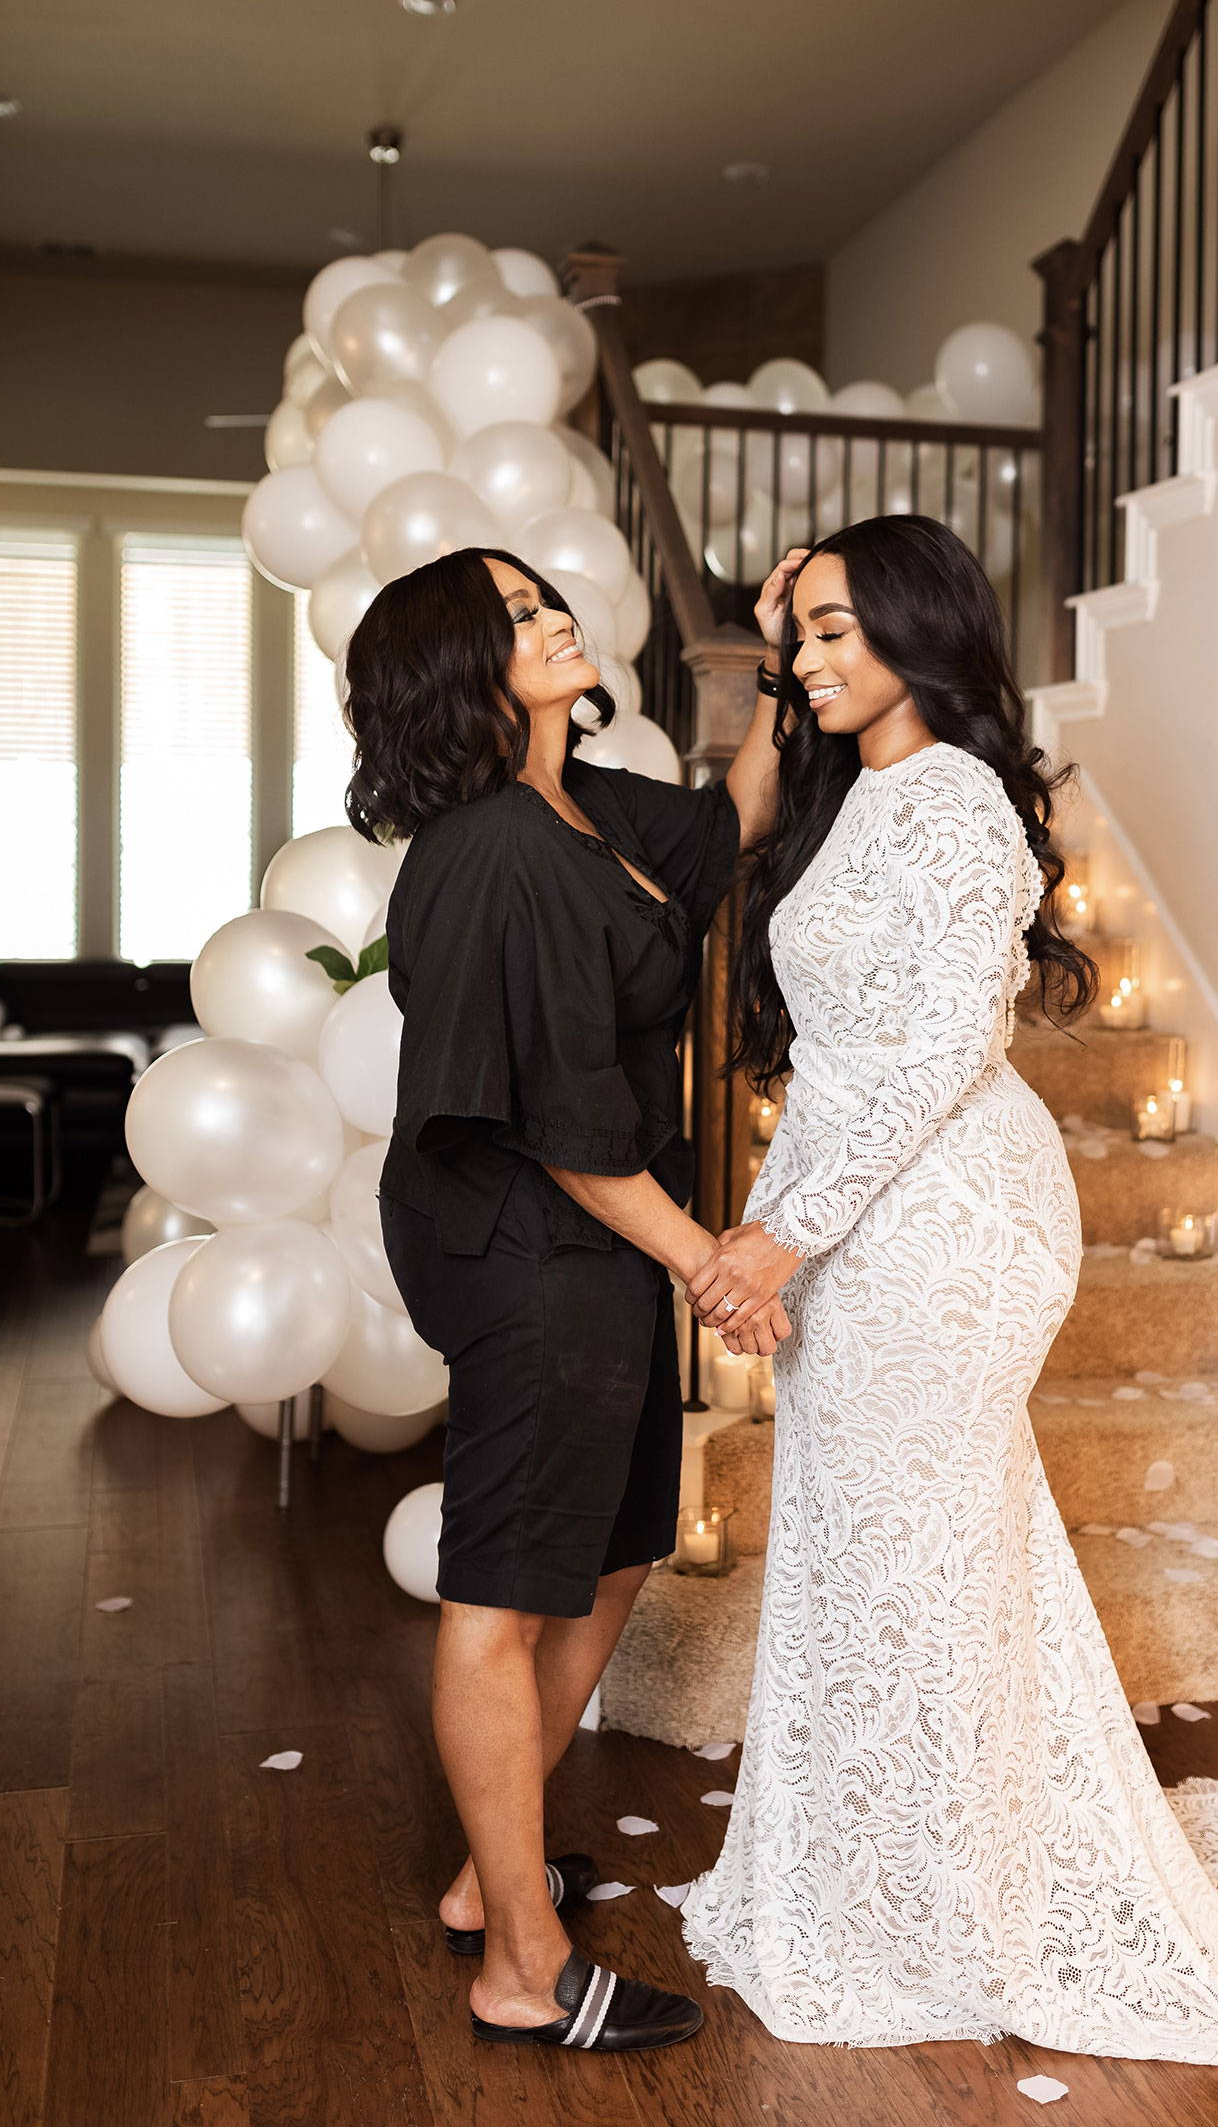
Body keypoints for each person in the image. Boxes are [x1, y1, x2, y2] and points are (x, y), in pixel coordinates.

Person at [681, 514, 1218, 2095]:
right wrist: (779, 1218)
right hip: (858, 1216)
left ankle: (935, 1917)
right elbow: (839, 1057)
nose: (807, 660)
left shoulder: (952, 808)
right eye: (795, 634)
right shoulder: (848, 797)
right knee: (875, 1550)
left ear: (921, 631)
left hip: (951, 1229)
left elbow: (938, 1058)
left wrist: (781, 1237)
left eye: (835, 629)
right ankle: (877, 1882)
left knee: (913, 1551)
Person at [344, 542, 799, 2057]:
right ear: (453, 672)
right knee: (505, 1585)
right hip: (527, 1240)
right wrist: (710, 1263)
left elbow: (734, 822)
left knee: (609, 1559)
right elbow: (556, 1121)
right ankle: (521, 1967)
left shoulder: (591, 807)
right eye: (512, 616)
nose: (551, 620)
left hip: (600, 1233)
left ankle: (496, 1867)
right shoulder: (491, 848)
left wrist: (788, 657)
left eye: (545, 600)